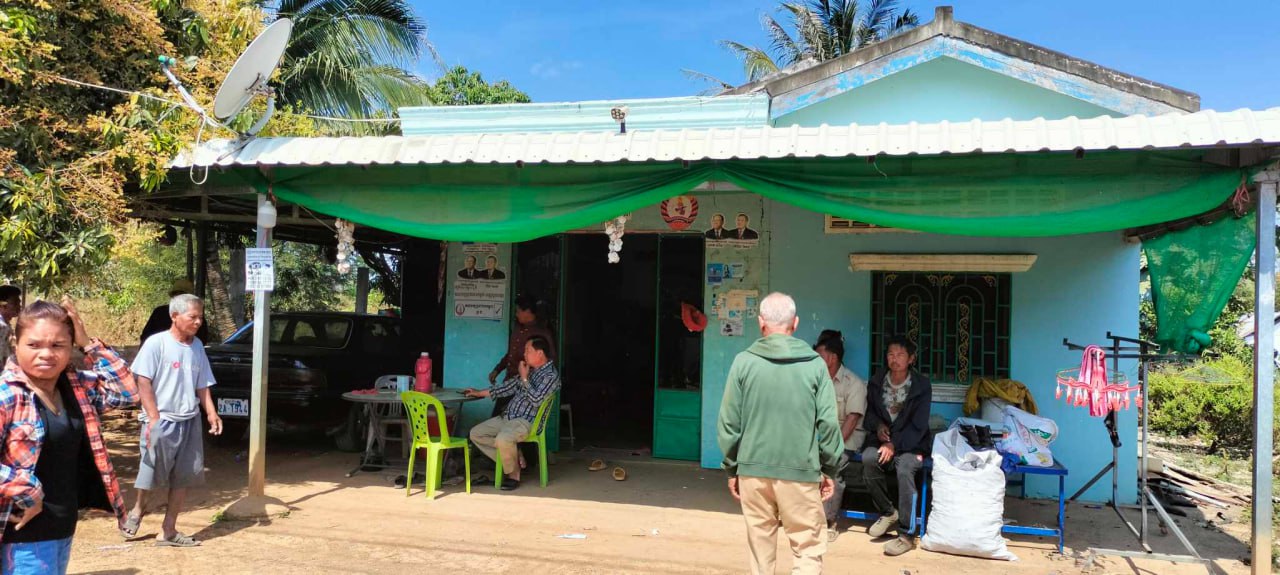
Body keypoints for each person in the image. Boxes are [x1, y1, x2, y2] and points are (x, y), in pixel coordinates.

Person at [0, 298, 138, 575]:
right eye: (34, 345)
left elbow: (127, 393)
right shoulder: (7, 395)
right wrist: (27, 489)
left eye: (58, 345)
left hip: (62, 529)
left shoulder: (76, 388)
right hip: (21, 534)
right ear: (16, 344)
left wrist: (88, 343)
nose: (46, 354)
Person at [717, 293, 842, 575]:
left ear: (761, 322)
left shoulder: (743, 362)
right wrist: (828, 468)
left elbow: (728, 424)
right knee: (808, 550)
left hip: (752, 472)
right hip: (801, 472)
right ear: (795, 323)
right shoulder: (815, 365)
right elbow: (828, 423)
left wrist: (733, 468)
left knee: (760, 553)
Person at [121, 294, 222, 547]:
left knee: (183, 476)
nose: (198, 322)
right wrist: (153, 418)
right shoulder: (156, 344)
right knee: (150, 472)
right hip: (160, 421)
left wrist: (211, 412)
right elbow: (143, 380)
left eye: (200, 317)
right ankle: (138, 510)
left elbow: (202, 384)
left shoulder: (197, 347)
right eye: (193, 317)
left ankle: (168, 530)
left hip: (189, 420)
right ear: (174, 316)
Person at [861, 335, 932, 557]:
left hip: (912, 444)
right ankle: (888, 512)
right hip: (883, 441)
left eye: (900, 354)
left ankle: (906, 535)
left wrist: (894, 444)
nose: (895, 359)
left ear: (911, 359)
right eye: (891, 354)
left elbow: (919, 425)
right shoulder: (877, 381)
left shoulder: (921, 386)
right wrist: (878, 426)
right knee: (868, 459)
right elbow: (869, 415)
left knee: (905, 469)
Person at [463, 335, 560, 491]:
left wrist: (524, 378)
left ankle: (513, 474)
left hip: (526, 422)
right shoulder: (531, 371)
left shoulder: (551, 376)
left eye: (527, 350)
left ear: (540, 353)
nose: (524, 354)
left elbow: (536, 400)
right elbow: (506, 388)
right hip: (507, 417)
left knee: (503, 439)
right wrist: (479, 393)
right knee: (476, 433)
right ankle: (514, 456)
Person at [814, 329, 867, 543]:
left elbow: (852, 421)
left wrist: (832, 447)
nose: (816, 359)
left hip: (846, 438)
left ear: (833, 358)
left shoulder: (853, 383)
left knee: (832, 465)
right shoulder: (816, 379)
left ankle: (829, 522)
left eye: (820, 355)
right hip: (822, 437)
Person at [489, 296, 555, 416]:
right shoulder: (517, 328)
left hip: (526, 386)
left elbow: (549, 360)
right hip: (509, 382)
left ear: (527, 311)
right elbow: (510, 354)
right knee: (497, 419)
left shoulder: (541, 333)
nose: (516, 314)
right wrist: (497, 369)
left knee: (513, 420)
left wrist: (526, 378)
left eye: (518, 311)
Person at [138, 279, 208, 345]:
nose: (179, 297)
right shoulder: (159, 313)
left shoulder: (197, 317)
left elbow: (202, 339)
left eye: (182, 294)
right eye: (177, 294)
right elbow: (146, 336)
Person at [0, 285, 22, 366]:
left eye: (19, 302)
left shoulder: (6, 325)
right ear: (2, 305)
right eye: (15, 303)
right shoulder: (2, 326)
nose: (19, 306)